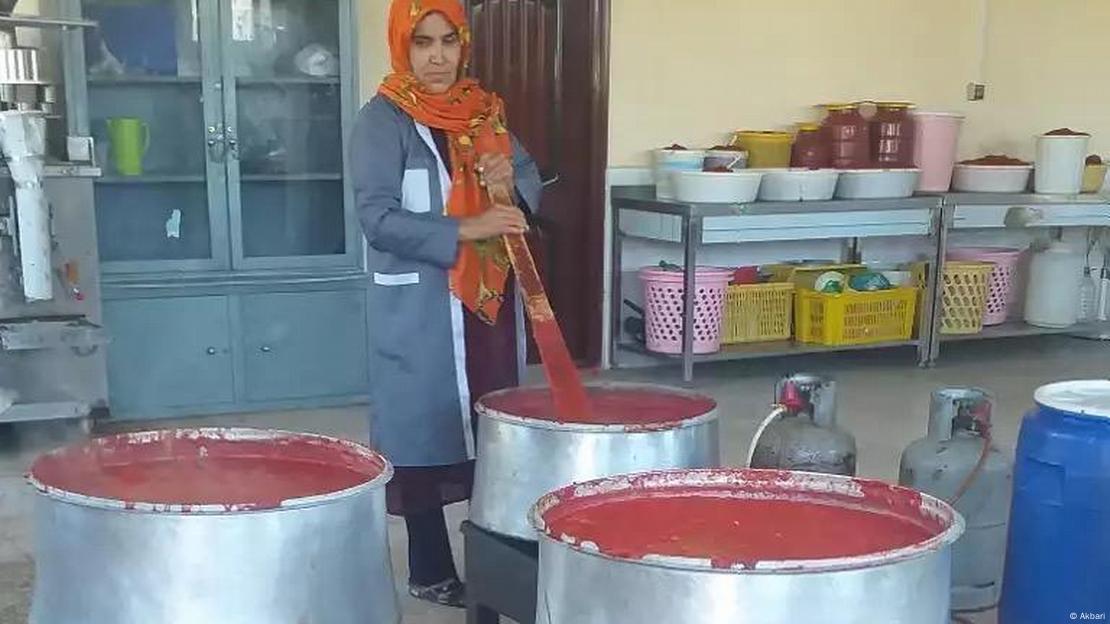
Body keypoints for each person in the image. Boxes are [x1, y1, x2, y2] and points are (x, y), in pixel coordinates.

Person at [349, 0, 543, 609]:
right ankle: (430, 568)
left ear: (464, 45)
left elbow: (528, 184)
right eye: (422, 42)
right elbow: (378, 218)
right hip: (423, 304)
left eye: (448, 42)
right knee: (421, 428)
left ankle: (497, 566)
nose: (436, 57)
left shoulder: (486, 113)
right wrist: (469, 224)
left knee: (496, 429)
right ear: (400, 46)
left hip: (483, 304)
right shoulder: (380, 121)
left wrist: (507, 188)